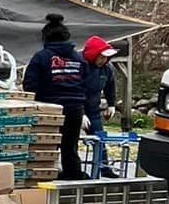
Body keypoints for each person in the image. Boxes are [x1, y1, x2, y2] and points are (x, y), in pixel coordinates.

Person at [22, 13, 88, 180]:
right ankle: (73, 179)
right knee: (70, 148)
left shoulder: (41, 57)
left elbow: (29, 85)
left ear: (45, 37)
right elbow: (86, 83)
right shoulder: (79, 59)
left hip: (50, 109)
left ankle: (43, 176)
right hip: (75, 110)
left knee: (45, 146)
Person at [82, 35, 122, 177]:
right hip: (77, 108)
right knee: (71, 141)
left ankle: (104, 167)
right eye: (101, 57)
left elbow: (110, 86)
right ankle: (71, 169)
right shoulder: (82, 67)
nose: (104, 60)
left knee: (100, 139)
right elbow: (75, 90)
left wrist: (111, 104)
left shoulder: (107, 69)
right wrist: (80, 113)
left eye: (106, 58)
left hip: (93, 110)